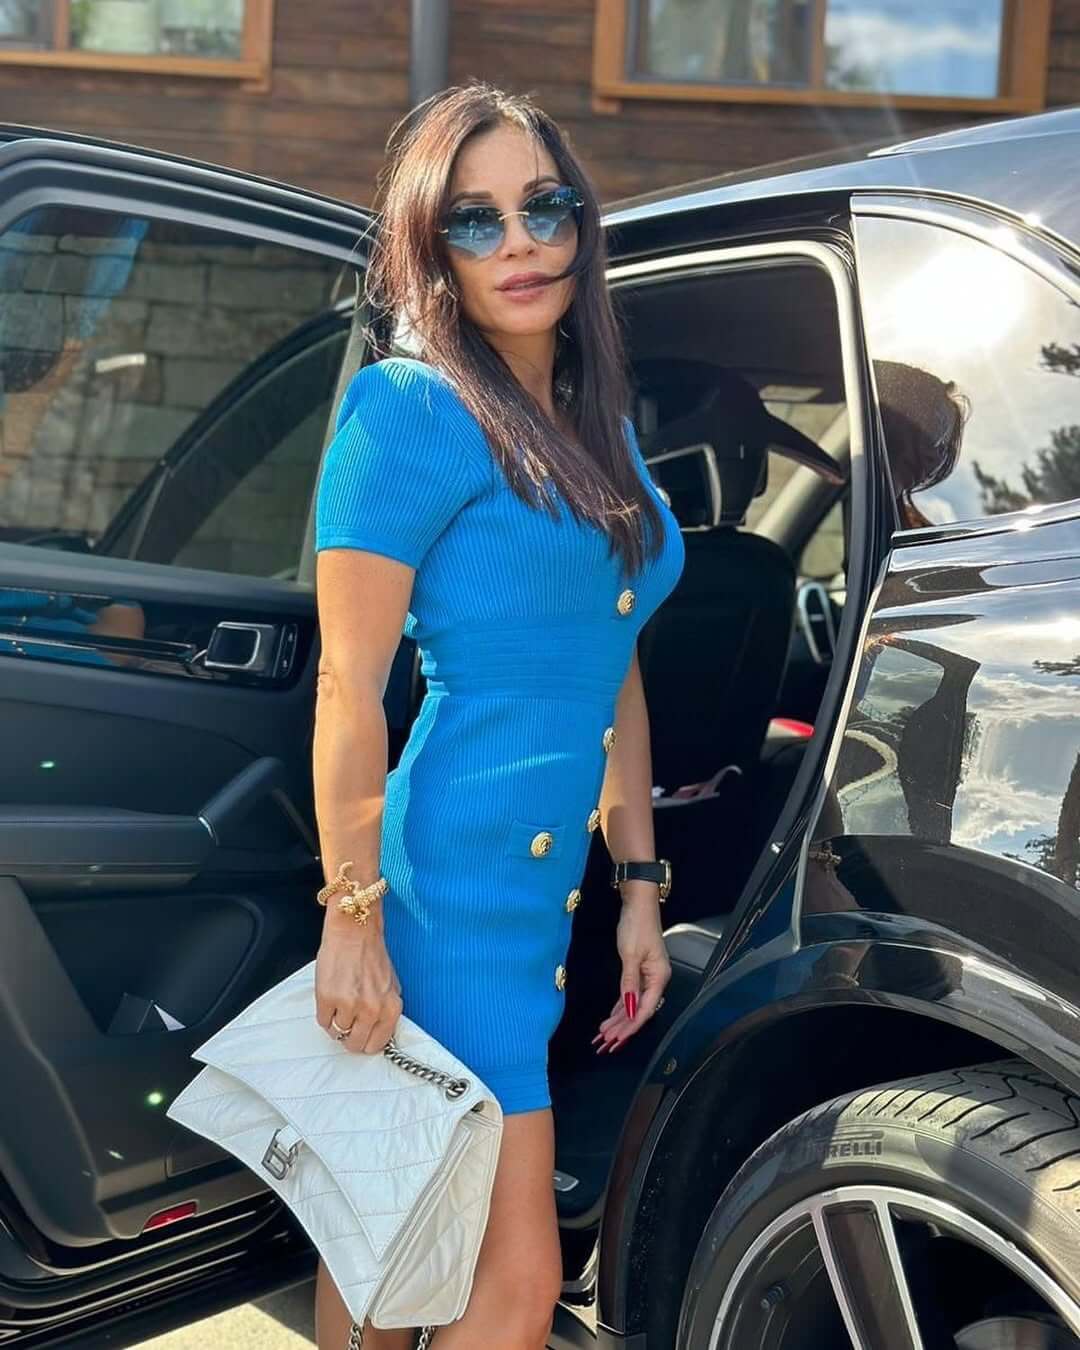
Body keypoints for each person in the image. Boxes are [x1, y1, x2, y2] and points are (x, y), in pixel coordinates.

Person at [309, 81, 686, 1350]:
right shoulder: (409, 410)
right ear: (433, 249)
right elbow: (347, 683)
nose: (518, 243)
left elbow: (613, 662)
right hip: (447, 886)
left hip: (540, 901)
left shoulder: (601, 429)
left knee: (414, 1246)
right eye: (474, 221)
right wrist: (352, 920)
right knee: (485, 1278)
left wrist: (639, 885)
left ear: (581, 226)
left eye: (543, 208)